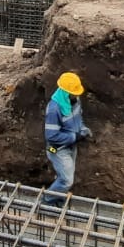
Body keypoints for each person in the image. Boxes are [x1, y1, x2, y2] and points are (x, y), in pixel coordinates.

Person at [42, 71, 92, 205]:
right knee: (67, 180)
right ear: (65, 92)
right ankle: (48, 200)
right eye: (73, 92)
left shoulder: (74, 100)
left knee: (64, 175)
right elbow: (51, 136)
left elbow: (78, 118)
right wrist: (74, 136)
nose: (77, 95)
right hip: (57, 149)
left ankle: (57, 197)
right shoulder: (54, 109)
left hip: (71, 145)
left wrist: (82, 130)